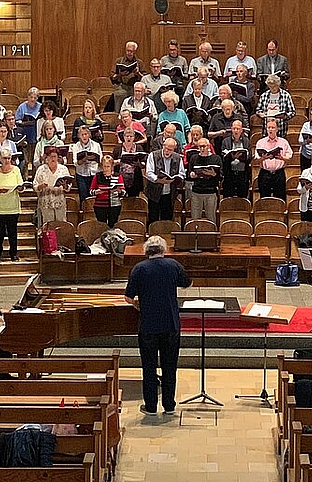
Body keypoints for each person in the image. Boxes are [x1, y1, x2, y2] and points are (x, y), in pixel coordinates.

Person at [124, 235, 191, 416]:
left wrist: (137, 303)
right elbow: (187, 282)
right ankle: (169, 406)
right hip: (170, 324)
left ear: (147, 250)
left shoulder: (139, 268)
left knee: (149, 366)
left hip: (148, 325)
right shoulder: (173, 265)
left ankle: (151, 407)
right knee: (170, 367)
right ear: (164, 250)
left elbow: (128, 297)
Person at [0, 148, 24, 262]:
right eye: (4, 158)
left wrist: (20, 188)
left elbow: (21, 187)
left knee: (13, 233)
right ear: (0, 159)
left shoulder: (16, 170)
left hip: (13, 207)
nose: (7, 160)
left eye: (9, 158)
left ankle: (13, 254)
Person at [145, 137, 185, 224]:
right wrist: (158, 180)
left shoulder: (178, 158)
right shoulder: (153, 155)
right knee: (153, 217)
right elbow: (149, 173)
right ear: (163, 145)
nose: (167, 151)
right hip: (154, 192)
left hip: (169, 193)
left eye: (170, 149)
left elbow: (182, 173)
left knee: (167, 218)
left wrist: (175, 178)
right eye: (166, 148)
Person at [254, 118, 293, 200]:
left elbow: (290, 158)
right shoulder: (260, 142)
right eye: (269, 128)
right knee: (264, 198)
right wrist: (263, 158)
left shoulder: (283, 142)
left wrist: (282, 158)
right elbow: (256, 160)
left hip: (279, 173)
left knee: (280, 198)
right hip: (265, 173)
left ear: (277, 129)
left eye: (273, 127)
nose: (270, 130)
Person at [33, 146, 71, 225]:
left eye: (55, 156)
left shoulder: (63, 169)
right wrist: (41, 186)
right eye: (51, 157)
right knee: (47, 226)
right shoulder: (41, 169)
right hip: (46, 201)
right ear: (47, 158)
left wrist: (65, 185)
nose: (53, 159)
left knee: (61, 224)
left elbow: (68, 186)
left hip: (59, 200)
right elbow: (35, 186)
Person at [187, 138, 222, 223]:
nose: (202, 149)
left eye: (204, 146)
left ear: (208, 146)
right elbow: (189, 173)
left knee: (211, 219)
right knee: (195, 219)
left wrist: (213, 174)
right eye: (200, 147)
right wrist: (192, 175)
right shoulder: (194, 158)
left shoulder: (216, 158)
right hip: (196, 192)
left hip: (210, 192)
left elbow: (221, 176)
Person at [90, 154, 126, 226]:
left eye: (108, 166)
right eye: (104, 166)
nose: (105, 168)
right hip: (100, 205)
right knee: (102, 226)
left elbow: (123, 192)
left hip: (114, 205)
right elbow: (91, 191)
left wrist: (119, 191)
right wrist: (96, 192)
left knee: (112, 225)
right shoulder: (97, 176)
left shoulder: (118, 176)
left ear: (112, 166)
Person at [71, 125, 102, 204]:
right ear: (79, 136)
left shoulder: (96, 145)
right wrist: (83, 159)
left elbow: (101, 160)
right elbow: (75, 162)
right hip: (81, 174)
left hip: (94, 173)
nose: (84, 136)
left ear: (89, 134)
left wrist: (95, 158)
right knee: (84, 197)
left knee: (94, 195)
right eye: (82, 134)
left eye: (86, 134)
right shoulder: (76, 146)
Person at [221, 119, 251, 199]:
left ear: (241, 130)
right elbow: (223, 155)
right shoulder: (225, 141)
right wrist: (232, 157)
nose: (236, 131)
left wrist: (242, 156)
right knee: (228, 197)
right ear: (231, 129)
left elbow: (249, 156)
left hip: (242, 174)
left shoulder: (246, 141)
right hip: (230, 174)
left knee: (242, 197)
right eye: (234, 128)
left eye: (238, 129)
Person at [111, 41, 143, 112]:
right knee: (120, 94)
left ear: (135, 51)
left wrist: (138, 73)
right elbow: (112, 76)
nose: (129, 53)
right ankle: (119, 115)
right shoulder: (119, 61)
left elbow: (144, 78)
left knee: (139, 95)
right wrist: (120, 74)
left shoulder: (139, 62)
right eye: (128, 51)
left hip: (134, 87)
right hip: (122, 86)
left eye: (131, 51)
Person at [113, 127, 145, 198]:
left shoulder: (139, 147)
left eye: (131, 136)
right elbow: (112, 162)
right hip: (120, 178)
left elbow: (143, 163)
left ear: (134, 137)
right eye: (127, 136)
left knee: (133, 199)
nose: (129, 138)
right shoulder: (118, 148)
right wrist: (118, 162)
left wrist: (139, 164)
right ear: (124, 137)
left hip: (135, 179)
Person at [15, 87, 42, 168]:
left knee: (35, 160)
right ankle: (25, 179)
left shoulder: (40, 107)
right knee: (26, 161)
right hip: (24, 135)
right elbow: (17, 120)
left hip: (35, 135)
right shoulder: (22, 107)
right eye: (31, 97)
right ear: (28, 97)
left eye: (35, 97)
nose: (33, 99)